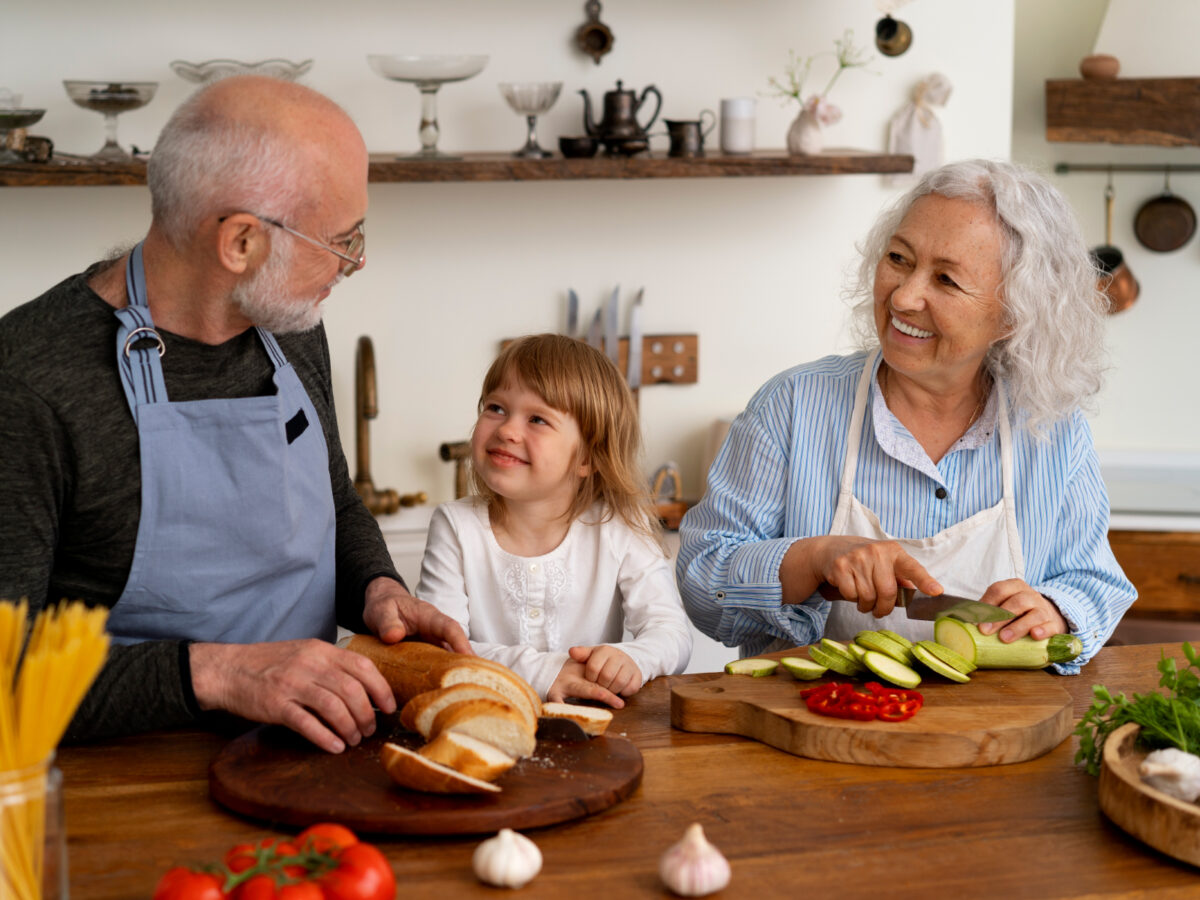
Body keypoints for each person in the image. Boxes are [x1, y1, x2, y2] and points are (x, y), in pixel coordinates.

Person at [0, 76, 470, 753]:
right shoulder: (30, 382)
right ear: (241, 243)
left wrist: (376, 586)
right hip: (120, 789)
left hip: (301, 759)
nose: (356, 262)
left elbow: (330, 501)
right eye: (343, 240)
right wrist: (216, 673)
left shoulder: (290, 323)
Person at [677, 158, 1135, 674]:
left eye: (946, 279)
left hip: (995, 734)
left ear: (1013, 314)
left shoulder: (1050, 428)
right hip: (810, 730)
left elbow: (1096, 584)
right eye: (899, 258)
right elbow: (701, 582)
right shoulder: (792, 406)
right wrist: (811, 559)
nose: (903, 296)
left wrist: (1056, 612)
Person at [417, 334, 693, 706]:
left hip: (596, 726)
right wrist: (548, 672)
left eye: (537, 419)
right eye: (496, 407)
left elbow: (671, 632)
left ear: (587, 459)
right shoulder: (455, 525)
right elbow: (439, 652)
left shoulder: (621, 526)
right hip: (480, 716)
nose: (507, 430)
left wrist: (634, 659)